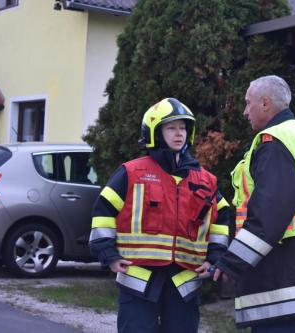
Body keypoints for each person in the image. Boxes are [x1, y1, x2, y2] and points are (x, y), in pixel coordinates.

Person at [89, 97, 230, 333]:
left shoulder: (205, 180)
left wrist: (213, 258)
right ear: (154, 132)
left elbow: (222, 220)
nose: (179, 134)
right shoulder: (131, 172)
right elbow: (103, 212)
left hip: (184, 282)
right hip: (138, 279)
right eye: (171, 128)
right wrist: (109, 255)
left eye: (183, 128)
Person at [212, 75, 295, 332]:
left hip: (282, 274)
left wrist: (233, 262)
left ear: (265, 103)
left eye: (248, 104)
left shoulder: (274, 142)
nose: (245, 111)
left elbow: (270, 212)